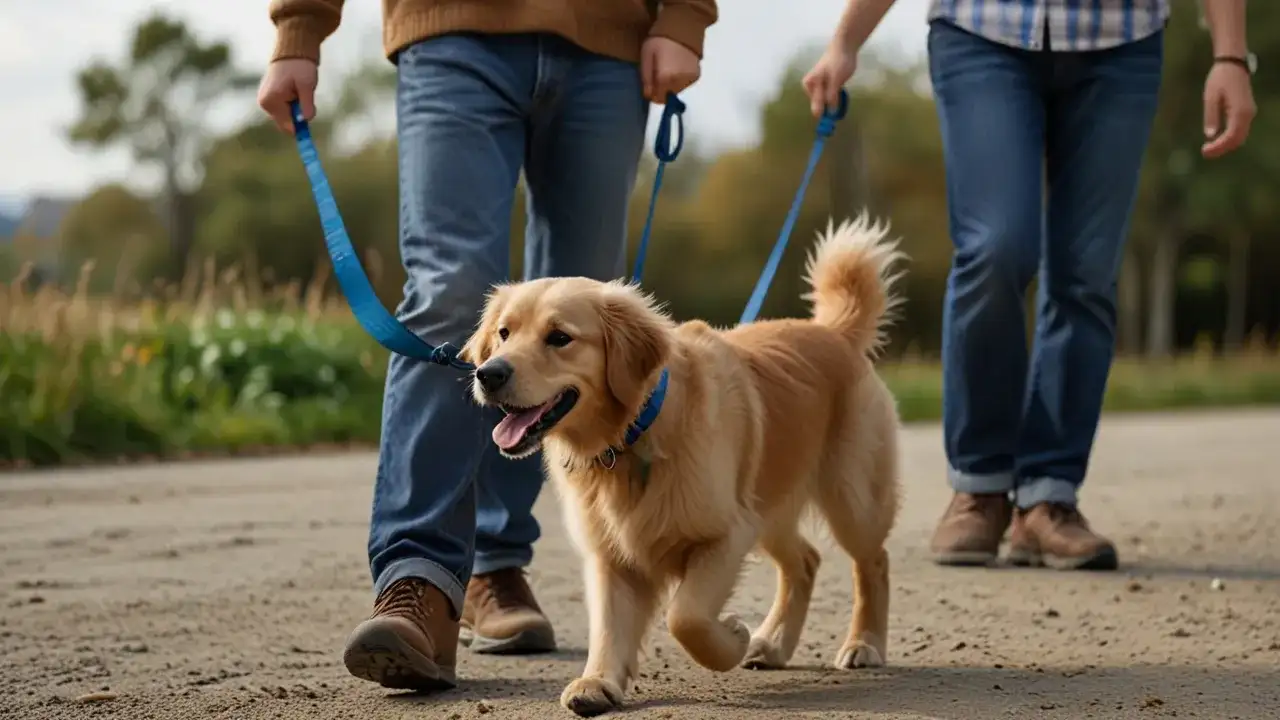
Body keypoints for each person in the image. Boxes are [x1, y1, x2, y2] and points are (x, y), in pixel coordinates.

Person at [257, 0, 717, 692]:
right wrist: (300, 26)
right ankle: (420, 584)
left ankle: (498, 566)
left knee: (577, 328)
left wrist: (683, 16)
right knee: (451, 293)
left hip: (608, 42)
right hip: (450, 30)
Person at [804, 0, 1254, 570]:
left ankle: (1049, 496)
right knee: (995, 246)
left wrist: (1231, 55)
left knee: (1086, 270)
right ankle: (980, 485)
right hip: (982, 31)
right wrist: (846, 40)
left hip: (1121, 41)